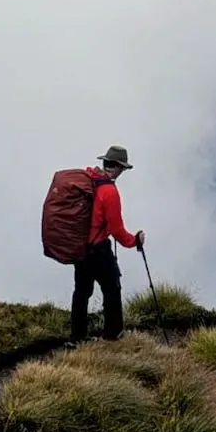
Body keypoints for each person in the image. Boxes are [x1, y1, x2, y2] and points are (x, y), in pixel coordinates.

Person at [71, 145, 145, 344]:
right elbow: (116, 229)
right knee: (112, 288)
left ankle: (76, 337)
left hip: (80, 247)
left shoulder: (87, 180)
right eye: (123, 168)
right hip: (99, 249)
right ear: (118, 167)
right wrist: (134, 240)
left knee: (81, 291)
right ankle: (112, 334)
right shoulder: (109, 192)